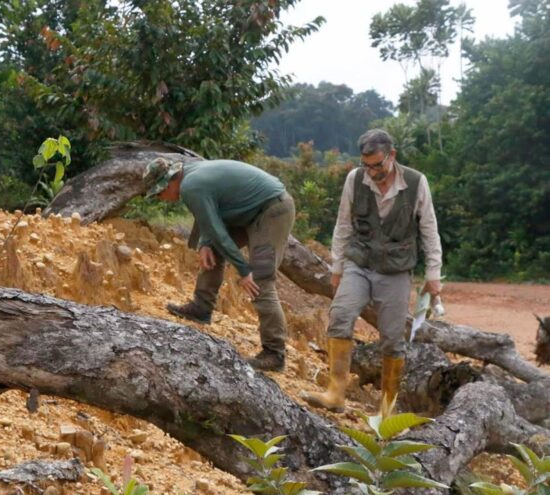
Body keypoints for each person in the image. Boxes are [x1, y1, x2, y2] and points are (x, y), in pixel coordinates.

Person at [301, 129, 442, 417]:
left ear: (392, 156)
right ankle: (335, 392)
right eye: (367, 165)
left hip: (396, 270)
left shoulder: (416, 182)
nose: (372, 172)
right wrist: (337, 267)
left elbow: (429, 229)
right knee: (340, 315)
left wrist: (433, 273)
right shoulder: (355, 179)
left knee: (392, 337)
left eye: (378, 165)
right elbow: (343, 225)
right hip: (359, 262)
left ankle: (387, 409)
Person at [143, 158, 295, 371]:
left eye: (159, 193)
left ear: (168, 183)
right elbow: (211, 217)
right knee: (212, 250)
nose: (161, 199)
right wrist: (206, 242)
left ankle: (274, 353)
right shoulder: (189, 175)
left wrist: (243, 270)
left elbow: (219, 232)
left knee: (260, 279)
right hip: (248, 210)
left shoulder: (190, 186)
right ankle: (201, 307)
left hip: (272, 210)